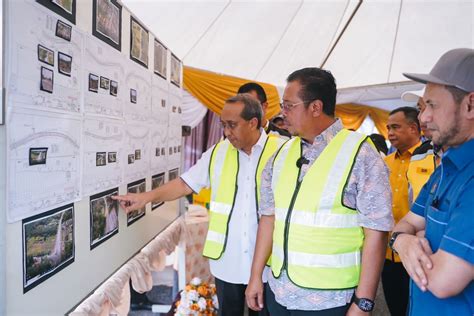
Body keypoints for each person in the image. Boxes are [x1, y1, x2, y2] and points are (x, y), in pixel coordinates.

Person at [114, 94, 285, 316]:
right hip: (228, 263)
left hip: (269, 265)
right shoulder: (218, 152)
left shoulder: (282, 151)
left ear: (253, 123)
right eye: (223, 125)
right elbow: (185, 184)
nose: (226, 132)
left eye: (232, 125)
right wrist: (146, 197)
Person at [245, 67, 394, 315]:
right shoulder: (280, 156)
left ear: (315, 107)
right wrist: (255, 276)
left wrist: (364, 303)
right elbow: (268, 218)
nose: (282, 112)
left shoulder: (361, 155)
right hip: (279, 291)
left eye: (289, 105)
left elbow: (376, 233)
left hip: (329, 301)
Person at [390, 48, 474, 315]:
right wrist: (404, 241)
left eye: (433, 106)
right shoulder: (446, 168)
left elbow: (441, 281)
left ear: (470, 105)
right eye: (423, 107)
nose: (423, 117)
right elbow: (405, 225)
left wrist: (411, 238)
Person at [382, 106, 422, 316]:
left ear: (414, 128)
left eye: (396, 127)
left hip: (417, 254)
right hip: (387, 255)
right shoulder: (383, 163)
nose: (390, 133)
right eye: (388, 128)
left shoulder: (429, 160)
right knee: (395, 308)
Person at [401, 89, 440, 203]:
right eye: (420, 109)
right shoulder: (420, 153)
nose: (421, 117)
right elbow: (413, 200)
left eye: (432, 106)